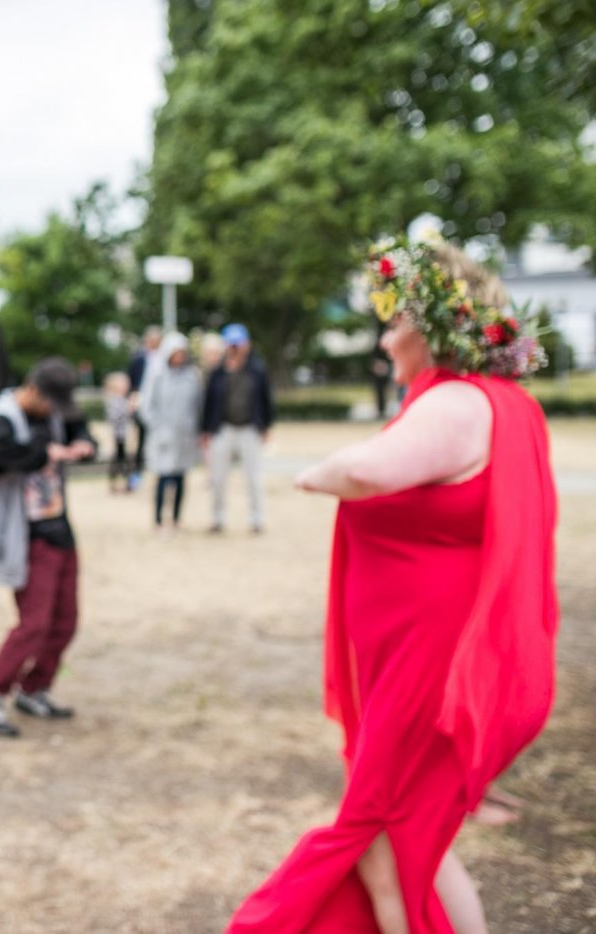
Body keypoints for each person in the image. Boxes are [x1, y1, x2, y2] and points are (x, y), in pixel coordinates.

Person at [228, 237, 557, 933]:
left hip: (428, 664)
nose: (383, 340)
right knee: (394, 840)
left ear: (428, 325)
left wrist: (314, 474)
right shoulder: (491, 401)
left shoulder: (459, 403)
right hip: (413, 655)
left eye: (392, 320)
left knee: (391, 829)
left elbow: (369, 471)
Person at [0, 357, 97, 738]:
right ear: (34, 392)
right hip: (27, 536)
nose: (55, 413)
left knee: (65, 622)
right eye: (50, 404)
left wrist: (85, 445)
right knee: (33, 625)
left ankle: (34, 688)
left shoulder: (55, 414)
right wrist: (47, 455)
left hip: (60, 529)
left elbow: (85, 432)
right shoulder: (6, 415)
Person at [200, 323, 274, 534]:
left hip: (250, 428)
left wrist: (266, 426)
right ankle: (218, 518)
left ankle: (257, 519)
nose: (234, 348)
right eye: (231, 344)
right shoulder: (218, 372)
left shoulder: (257, 369)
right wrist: (205, 430)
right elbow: (209, 402)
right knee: (218, 478)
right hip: (223, 428)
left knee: (254, 478)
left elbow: (265, 399)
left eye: (238, 344)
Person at [139, 332, 201, 534]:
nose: (179, 357)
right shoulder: (156, 374)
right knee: (163, 478)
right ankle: (158, 520)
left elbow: (197, 405)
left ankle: (176, 518)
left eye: (182, 353)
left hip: (185, 435)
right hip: (162, 435)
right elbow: (146, 406)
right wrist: (157, 427)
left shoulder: (192, 376)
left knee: (181, 477)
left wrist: (195, 428)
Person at [126, 326, 163, 492]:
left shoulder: (163, 358)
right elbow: (131, 381)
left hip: (160, 405)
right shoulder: (139, 358)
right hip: (141, 401)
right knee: (140, 440)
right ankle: (136, 474)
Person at [101, 371, 133, 493]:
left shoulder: (121, 399)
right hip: (117, 434)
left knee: (123, 458)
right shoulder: (113, 400)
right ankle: (118, 482)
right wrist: (128, 409)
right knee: (119, 459)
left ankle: (124, 481)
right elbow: (115, 416)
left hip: (123, 434)